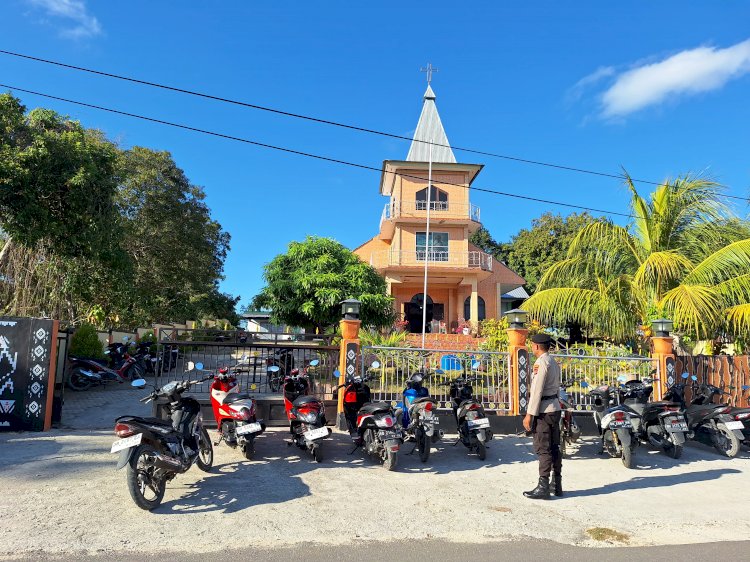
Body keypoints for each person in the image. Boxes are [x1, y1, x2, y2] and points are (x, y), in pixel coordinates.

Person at [522, 333, 562, 499]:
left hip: (544, 411)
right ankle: (556, 484)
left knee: (543, 448)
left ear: (537, 346)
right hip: (555, 408)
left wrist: (529, 414)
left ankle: (543, 486)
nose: (532, 347)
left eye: (532, 345)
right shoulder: (553, 361)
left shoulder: (541, 363)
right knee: (554, 447)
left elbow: (537, 391)